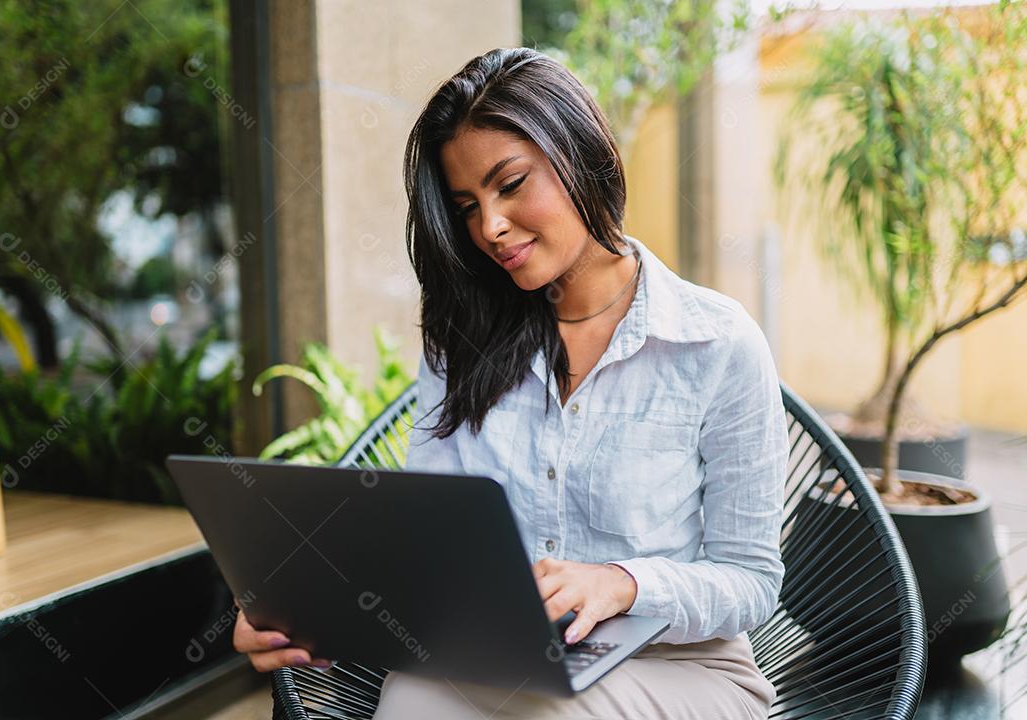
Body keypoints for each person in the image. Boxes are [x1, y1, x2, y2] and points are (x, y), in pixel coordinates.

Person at [234, 46, 788, 719]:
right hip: (503, 652)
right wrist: (300, 610)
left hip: (680, 662)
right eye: (467, 205)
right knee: (410, 702)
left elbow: (750, 582)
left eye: (512, 183)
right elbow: (427, 542)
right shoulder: (462, 339)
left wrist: (621, 584)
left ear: (581, 153)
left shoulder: (716, 343)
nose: (490, 227)